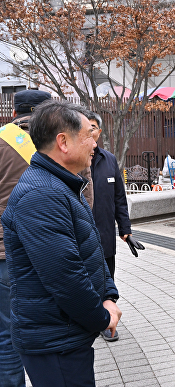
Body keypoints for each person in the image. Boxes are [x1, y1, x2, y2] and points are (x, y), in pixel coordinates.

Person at [1, 100, 121, 386]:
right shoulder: (42, 195)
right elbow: (65, 277)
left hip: (63, 333)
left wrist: (108, 294)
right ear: (63, 142)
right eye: (88, 136)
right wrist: (101, 317)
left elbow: (90, 250)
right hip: (55, 340)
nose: (95, 144)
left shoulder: (62, 185)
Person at [0, 89, 51, 387]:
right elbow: (85, 192)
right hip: (48, 250)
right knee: (49, 329)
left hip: (5, 253)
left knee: (6, 334)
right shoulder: (58, 143)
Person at [87, 111, 136, 342]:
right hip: (82, 237)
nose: (91, 131)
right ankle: (88, 320)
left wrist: (125, 230)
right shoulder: (72, 162)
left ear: (100, 131)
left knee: (108, 280)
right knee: (85, 280)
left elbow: (119, 199)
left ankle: (107, 322)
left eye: (94, 126)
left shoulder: (109, 160)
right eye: (87, 126)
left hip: (105, 235)